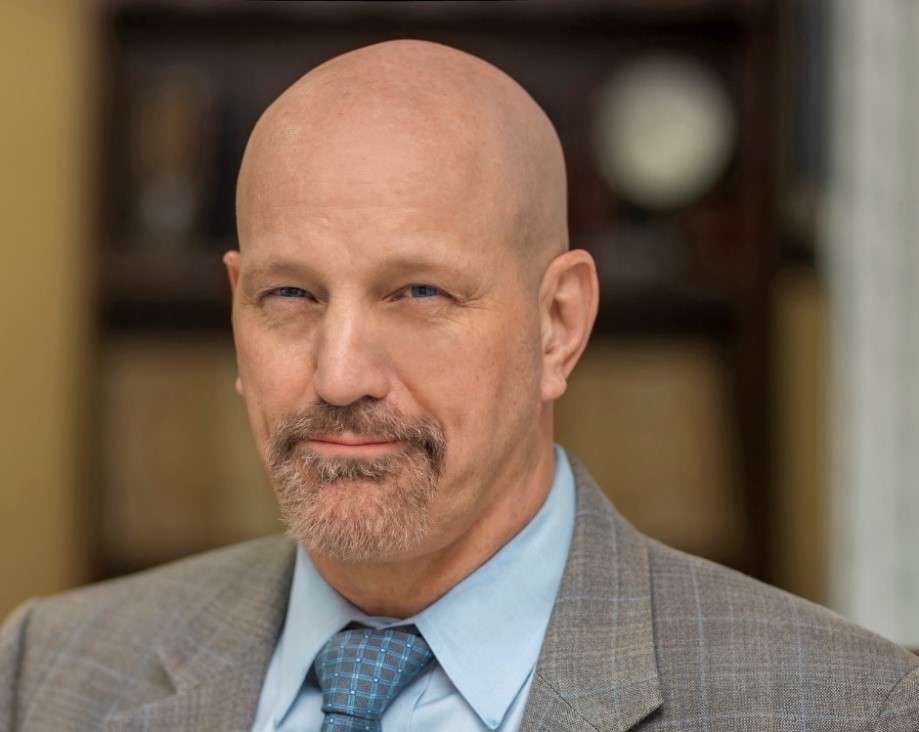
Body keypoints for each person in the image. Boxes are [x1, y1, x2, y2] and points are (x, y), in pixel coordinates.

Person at [1, 39, 917, 732]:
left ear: (558, 325)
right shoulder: (47, 674)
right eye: (290, 294)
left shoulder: (849, 708)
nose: (339, 373)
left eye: (418, 292)